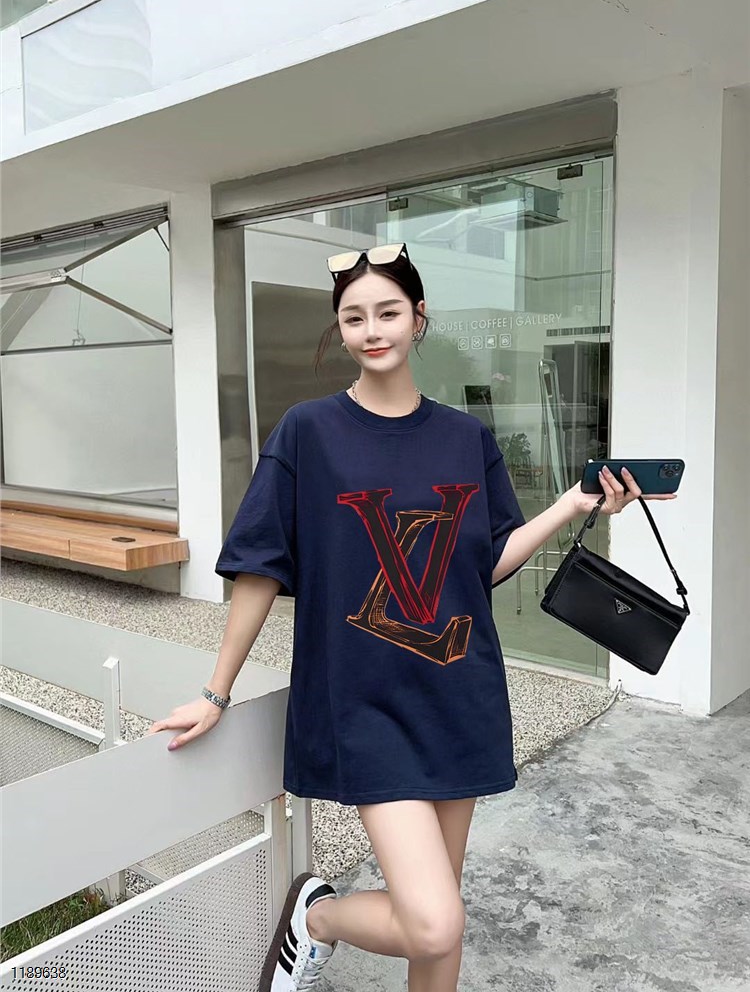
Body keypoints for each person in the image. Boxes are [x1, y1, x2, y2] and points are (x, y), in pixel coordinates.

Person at [147, 242, 676, 992]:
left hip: (457, 694)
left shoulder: (466, 438)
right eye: (354, 317)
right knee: (434, 922)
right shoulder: (307, 432)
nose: (372, 330)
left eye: (388, 312)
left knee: (439, 918)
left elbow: (485, 562)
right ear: (340, 329)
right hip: (363, 700)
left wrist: (572, 504)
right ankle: (317, 919)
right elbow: (260, 566)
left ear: (419, 318)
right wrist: (215, 691)